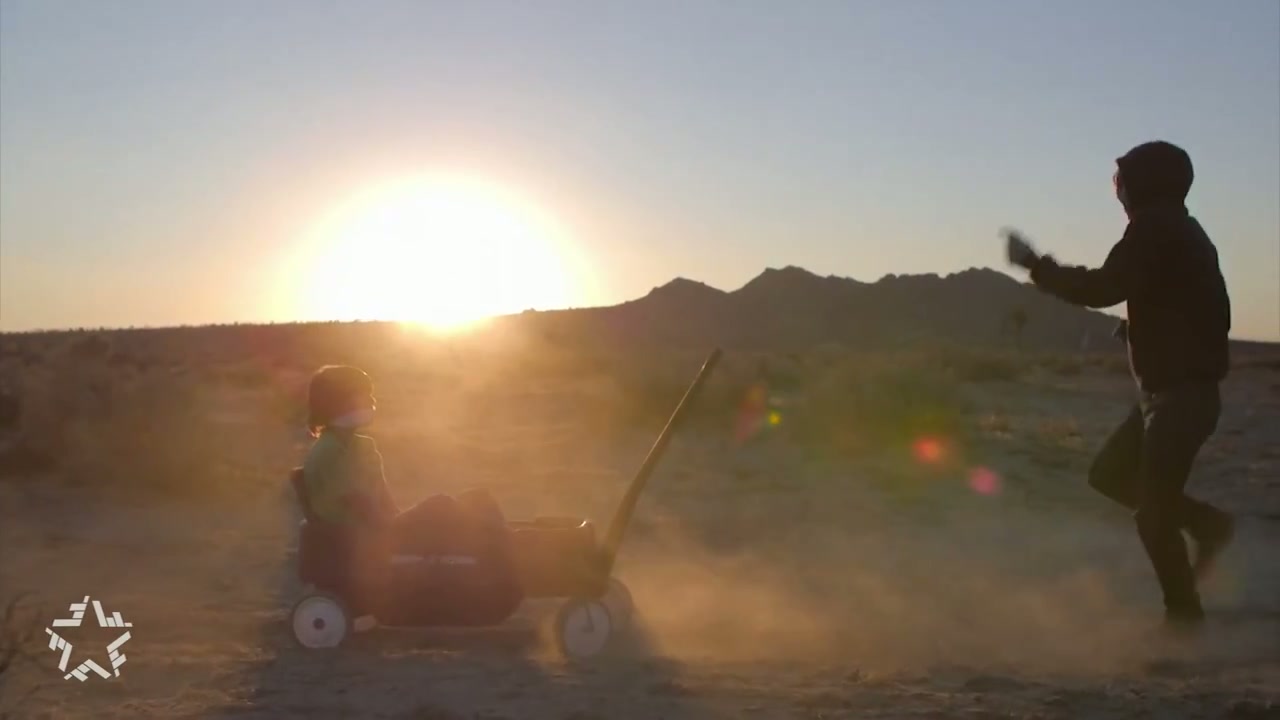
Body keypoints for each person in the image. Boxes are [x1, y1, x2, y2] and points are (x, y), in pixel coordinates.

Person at [1001, 140, 1235, 631]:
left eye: (1121, 180)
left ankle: (1184, 622)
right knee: (1110, 475)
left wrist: (1035, 265)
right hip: (1170, 396)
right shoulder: (1181, 231)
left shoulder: (1155, 229)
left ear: (1145, 184)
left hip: (1180, 399)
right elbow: (1204, 307)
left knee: (1153, 515)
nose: (1118, 191)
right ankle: (1206, 525)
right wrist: (1142, 330)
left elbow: (1103, 287)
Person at [301, 364, 513, 571]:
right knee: (440, 505)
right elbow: (359, 505)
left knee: (478, 499)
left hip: (384, 526)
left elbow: (384, 499)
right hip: (363, 538)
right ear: (340, 402)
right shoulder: (328, 452)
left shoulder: (364, 446)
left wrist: (405, 521)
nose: (372, 400)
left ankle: (506, 548)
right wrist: (403, 527)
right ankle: (507, 552)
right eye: (364, 394)